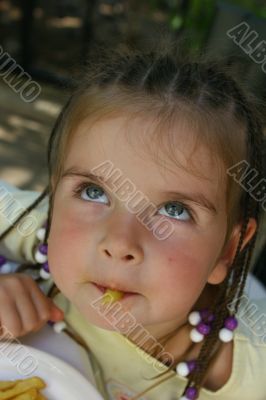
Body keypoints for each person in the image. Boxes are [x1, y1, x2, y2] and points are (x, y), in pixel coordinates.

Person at [0, 44, 265, 400]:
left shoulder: (248, 376)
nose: (120, 243)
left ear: (228, 250)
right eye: (93, 192)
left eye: (174, 210)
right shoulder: (39, 233)